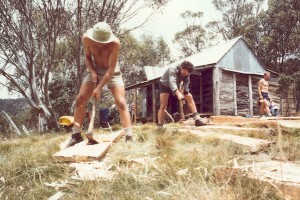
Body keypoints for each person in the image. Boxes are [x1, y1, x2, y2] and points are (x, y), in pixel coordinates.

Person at [66, 22, 133, 148]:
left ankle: (129, 135)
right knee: (80, 99)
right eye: (98, 41)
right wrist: (92, 72)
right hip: (94, 70)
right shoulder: (86, 38)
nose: (101, 44)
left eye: (104, 42)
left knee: (121, 102)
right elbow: (87, 57)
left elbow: (111, 68)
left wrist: (99, 88)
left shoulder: (115, 43)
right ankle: (76, 135)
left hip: (112, 72)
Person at [157, 61, 207, 127]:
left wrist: (185, 92)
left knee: (189, 96)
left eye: (186, 74)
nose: (184, 75)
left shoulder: (187, 73)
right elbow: (172, 82)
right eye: (183, 73)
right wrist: (178, 93)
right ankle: (160, 126)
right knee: (163, 105)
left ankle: (197, 120)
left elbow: (186, 84)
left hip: (176, 84)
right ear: (181, 67)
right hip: (164, 85)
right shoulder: (172, 69)